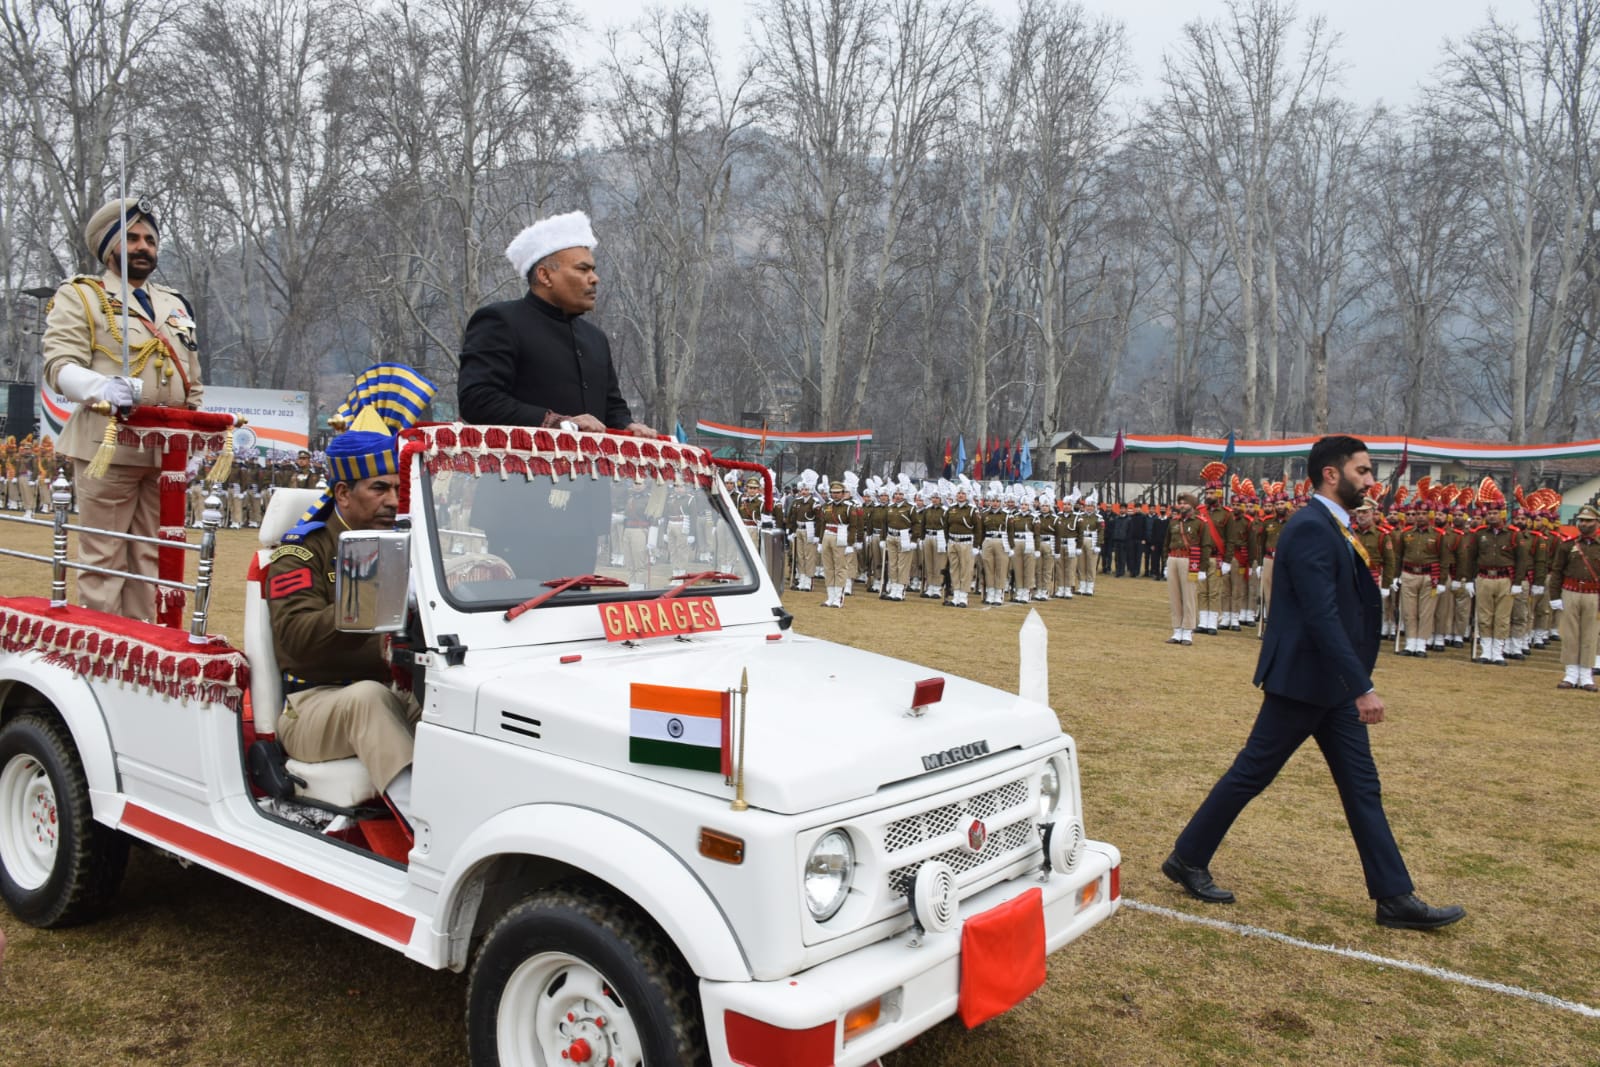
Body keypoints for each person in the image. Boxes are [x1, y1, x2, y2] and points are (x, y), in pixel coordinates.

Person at [1162, 435, 1465, 931]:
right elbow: (1322, 616)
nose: (1371, 481)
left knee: (1362, 788)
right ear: (1332, 473)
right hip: (1305, 682)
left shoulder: (1333, 527)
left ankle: (1394, 896)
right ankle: (1187, 857)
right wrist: (1362, 684)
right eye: (1363, 471)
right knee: (1251, 774)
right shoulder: (1310, 528)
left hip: (1331, 686)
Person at [267, 364, 435, 828]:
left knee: (454, 697)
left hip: (387, 691)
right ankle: (423, 826)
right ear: (342, 492)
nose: (391, 500)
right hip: (312, 707)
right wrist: (359, 608)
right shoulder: (299, 552)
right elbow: (296, 639)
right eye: (378, 488)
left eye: (398, 489)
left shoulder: (407, 544)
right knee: (368, 698)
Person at [456, 210, 656, 574]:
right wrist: (555, 422)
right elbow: (477, 399)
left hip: (584, 512)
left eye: (593, 269)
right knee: (521, 618)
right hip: (521, 509)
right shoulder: (501, 321)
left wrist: (629, 427)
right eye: (582, 269)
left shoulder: (594, 339)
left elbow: (611, 407)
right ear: (545, 275)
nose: (594, 279)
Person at [40, 197, 204, 619]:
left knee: (150, 563)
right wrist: (102, 387)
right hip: (106, 448)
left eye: (149, 239)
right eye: (131, 238)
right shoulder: (83, 296)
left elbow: (193, 380)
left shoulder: (175, 304)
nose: (143, 246)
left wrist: (195, 442)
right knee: (103, 561)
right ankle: (103, 657)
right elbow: (58, 366)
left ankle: (143, 652)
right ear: (108, 246)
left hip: (164, 453)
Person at [1547, 503, 1600, 690]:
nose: (1584, 524)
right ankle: (1570, 674)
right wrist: (1554, 596)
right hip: (1570, 592)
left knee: (1590, 635)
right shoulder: (1568, 545)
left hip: (1593, 594)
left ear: (1597, 522)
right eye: (1581, 521)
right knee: (1570, 634)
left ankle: (1586, 676)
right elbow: (1557, 571)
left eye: (1588, 521)